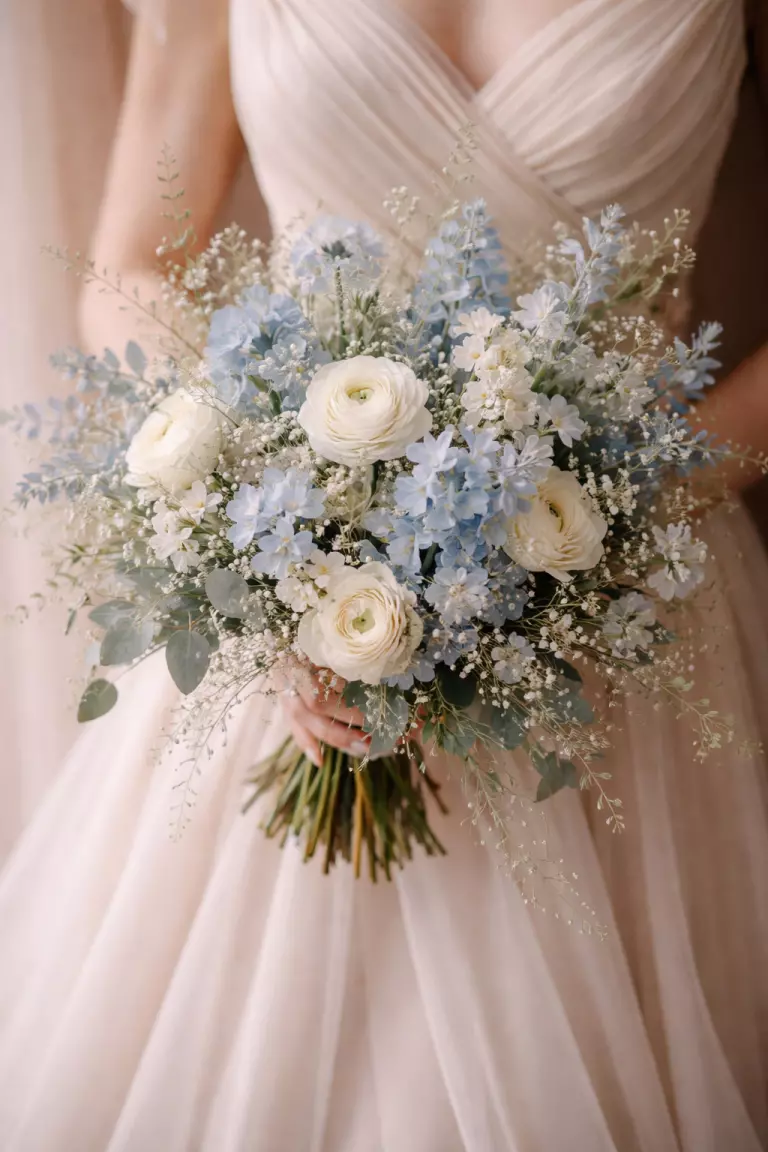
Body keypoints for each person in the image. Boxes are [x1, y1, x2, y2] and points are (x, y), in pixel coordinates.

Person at [1, 1, 767, 1148]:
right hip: (294, 621)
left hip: (627, 608)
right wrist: (258, 508)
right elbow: (132, 266)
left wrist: (602, 521)